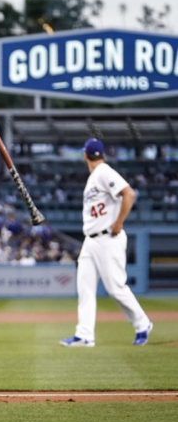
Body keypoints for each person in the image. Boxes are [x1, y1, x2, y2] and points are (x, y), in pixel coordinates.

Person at [60, 138, 153, 348]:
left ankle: (143, 323)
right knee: (85, 288)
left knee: (115, 288)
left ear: (85, 155)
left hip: (108, 238)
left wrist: (119, 222)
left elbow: (129, 193)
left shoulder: (103, 172)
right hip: (91, 241)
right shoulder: (95, 176)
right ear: (102, 153)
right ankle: (84, 335)